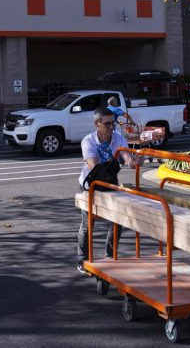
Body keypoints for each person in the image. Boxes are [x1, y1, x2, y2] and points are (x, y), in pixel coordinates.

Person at [76, 107, 142, 273]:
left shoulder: (118, 138)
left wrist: (133, 161)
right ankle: (82, 259)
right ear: (97, 124)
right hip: (91, 185)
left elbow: (127, 156)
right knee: (88, 225)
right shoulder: (88, 141)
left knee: (118, 221)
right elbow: (93, 166)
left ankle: (109, 256)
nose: (111, 127)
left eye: (113, 123)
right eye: (107, 124)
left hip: (110, 183)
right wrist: (112, 165)